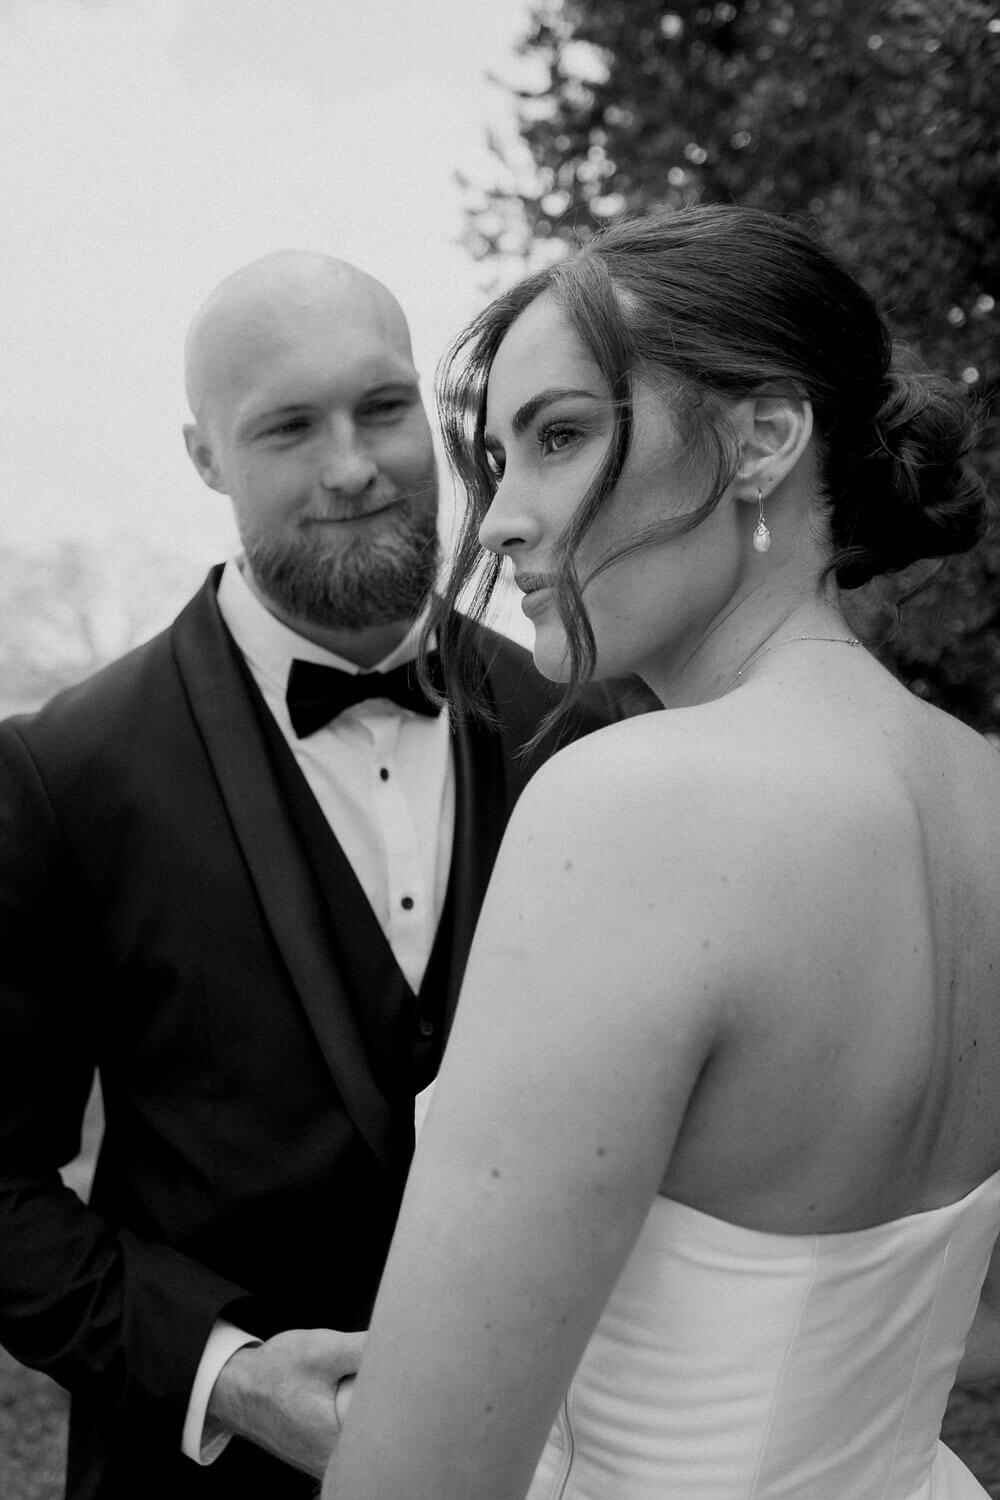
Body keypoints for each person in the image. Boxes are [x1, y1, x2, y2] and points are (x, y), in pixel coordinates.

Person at [321, 205, 1000, 1500]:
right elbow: (978, 1329)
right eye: (498, 457)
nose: (505, 519)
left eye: (561, 437)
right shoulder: (984, 794)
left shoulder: (631, 813)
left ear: (763, 439)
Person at [0, 251, 623, 1500]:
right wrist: (226, 1377)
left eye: (384, 409)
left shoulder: (586, 723)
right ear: (204, 457)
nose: (353, 468)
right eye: (288, 426)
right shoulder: (61, 770)